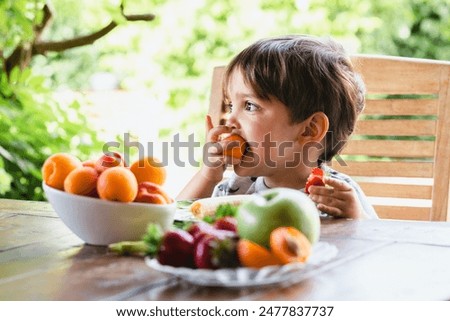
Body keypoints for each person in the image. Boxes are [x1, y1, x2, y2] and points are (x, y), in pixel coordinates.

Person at [177, 35, 378, 219]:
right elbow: (174, 224)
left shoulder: (336, 195)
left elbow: (380, 248)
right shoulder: (235, 188)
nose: (229, 121)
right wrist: (206, 177)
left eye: (250, 106)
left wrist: (357, 218)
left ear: (309, 130)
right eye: (231, 106)